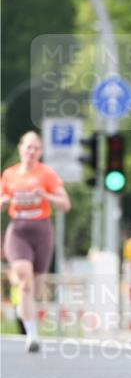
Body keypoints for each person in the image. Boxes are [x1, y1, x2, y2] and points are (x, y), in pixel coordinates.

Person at [1, 131, 71, 351]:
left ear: (40, 152)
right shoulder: (10, 174)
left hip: (41, 231)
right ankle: (32, 334)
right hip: (18, 230)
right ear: (21, 148)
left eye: (35, 148)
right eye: (28, 147)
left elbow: (65, 204)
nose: (31, 151)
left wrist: (46, 196)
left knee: (36, 288)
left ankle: (28, 317)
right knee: (25, 282)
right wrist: (4, 201)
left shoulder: (47, 174)